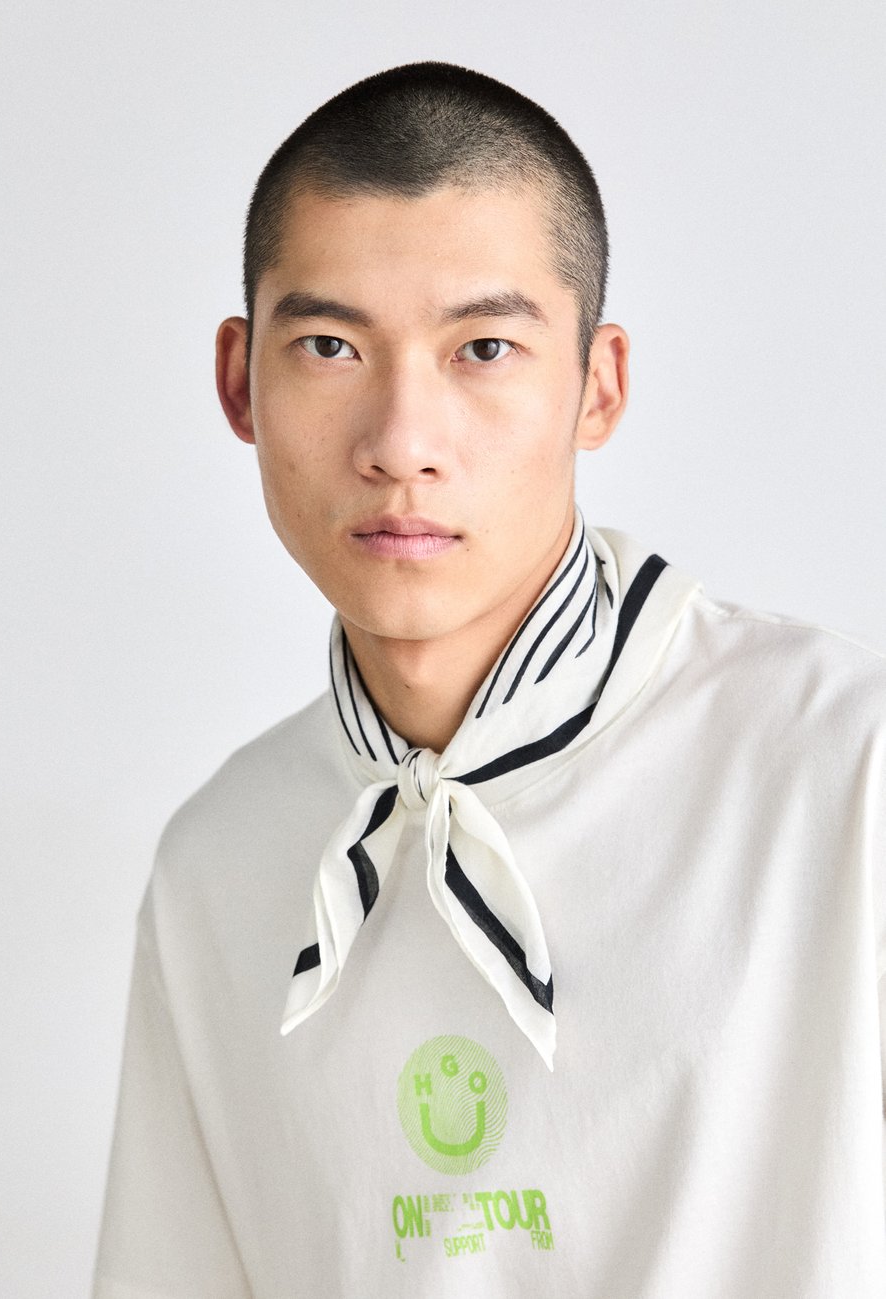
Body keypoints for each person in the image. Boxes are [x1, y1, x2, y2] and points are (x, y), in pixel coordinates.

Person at [93, 62, 886, 1298]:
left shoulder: (843, 768)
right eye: (330, 345)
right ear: (240, 380)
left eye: (484, 348)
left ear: (598, 385)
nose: (402, 442)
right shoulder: (219, 864)